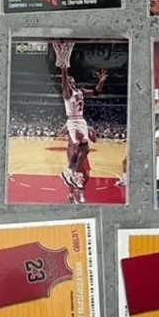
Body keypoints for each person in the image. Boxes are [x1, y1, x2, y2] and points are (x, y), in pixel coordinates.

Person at [58, 52, 108, 204]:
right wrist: (64, 68)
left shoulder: (80, 92)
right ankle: (70, 174)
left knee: (85, 149)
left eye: (71, 80)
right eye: (68, 81)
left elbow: (96, 92)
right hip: (73, 121)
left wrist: (101, 82)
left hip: (81, 120)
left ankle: (69, 172)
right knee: (82, 147)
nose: (69, 82)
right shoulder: (67, 93)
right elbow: (64, 83)